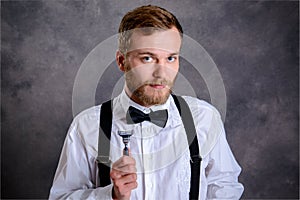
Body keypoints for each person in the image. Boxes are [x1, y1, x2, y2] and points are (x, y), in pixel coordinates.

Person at [49, 5, 244, 200]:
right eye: (147, 58)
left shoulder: (204, 118)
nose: (161, 73)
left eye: (170, 58)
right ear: (121, 61)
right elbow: (61, 197)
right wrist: (110, 195)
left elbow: (225, 188)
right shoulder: (86, 126)